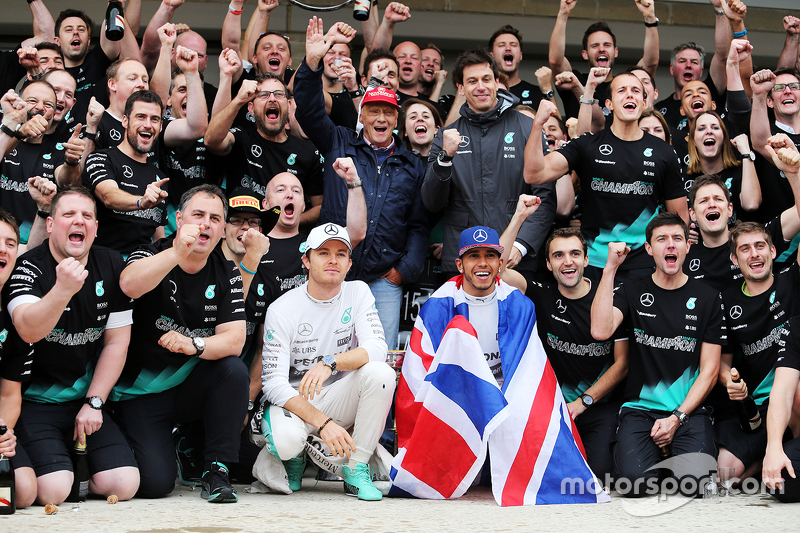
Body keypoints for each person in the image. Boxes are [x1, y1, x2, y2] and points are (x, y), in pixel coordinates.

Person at [392, 225, 609, 505]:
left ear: (500, 262)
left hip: (507, 397)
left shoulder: (519, 305)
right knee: (460, 330)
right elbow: (419, 373)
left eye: (490, 256)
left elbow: (530, 368)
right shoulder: (439, 305)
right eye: (473, 256)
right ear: (459, 264)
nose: (482, 263)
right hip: (458, 400)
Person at [293, 17, 429, 351]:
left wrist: (403, 271)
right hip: (333, 267)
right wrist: (312, 64)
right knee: (324, 353)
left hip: (384, 279)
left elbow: (419, 224)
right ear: (362, 115)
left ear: (397, 119)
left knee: (377, 358)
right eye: (373, 111)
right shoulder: (338, 141)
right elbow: (308, 112)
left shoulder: (414, 165)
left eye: (388, 112)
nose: (380, 119)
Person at [111, 184, 249, 503]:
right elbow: (128, 284)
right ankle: (161, 440)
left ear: (223, 229)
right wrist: (177, 253)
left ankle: (216, 470)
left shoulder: (226, 270)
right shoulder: (151, 251)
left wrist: (195, 345)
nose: (206, 224)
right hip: (141, 394)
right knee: (155, 484)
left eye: (215, 218)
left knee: (232, 370)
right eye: (198, 215)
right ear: (178, 218)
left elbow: (235, 340)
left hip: (189, 388)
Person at [4, 187, 139, 505]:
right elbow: (27, 328)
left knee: (124, 483)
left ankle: (75, 467)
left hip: (83, 400)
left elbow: (117, 342)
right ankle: (61, 468)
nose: (78, 220)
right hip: (34, 402)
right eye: (68, 214)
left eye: (87, 216)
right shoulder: (28, 266)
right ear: (50, 225)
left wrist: (94, 403)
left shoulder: (110, 263)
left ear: (95, 228)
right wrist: (62, 290)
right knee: (53, 490)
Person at [591, 213, 725, 497]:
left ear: (687, 246)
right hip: (640, 410)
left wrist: (677, 418)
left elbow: (710, 371)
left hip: (688, 410)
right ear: (649, 248)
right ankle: (662, 460)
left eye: (677, 238)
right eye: (661, 239)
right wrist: (610, 269)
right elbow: (601, 331)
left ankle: (672, 457)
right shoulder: (632, 289)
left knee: (695, 484)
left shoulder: (708, 297)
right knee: (634, 484)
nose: (671, 246)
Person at [260, 222, 394, 501]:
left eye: (341, 254)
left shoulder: (358, 292)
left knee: (381, 373)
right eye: (323, 252)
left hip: (334, 395)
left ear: (348, 264)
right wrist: (323, 423)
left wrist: (330, 363)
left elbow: (377, 348)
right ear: (306, 260)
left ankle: (356, 470)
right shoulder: (282, 308)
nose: (333, 260)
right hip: (294, 401)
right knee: (286, 443)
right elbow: (273, 384)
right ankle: (294, 458)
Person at [526, 73, 688, 281]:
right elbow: (534, 173)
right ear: (609, 104)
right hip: (593, 263)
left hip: (645, 265)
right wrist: (537, 124)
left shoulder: (664, 152)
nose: (629, 95)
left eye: (636, 91)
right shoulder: (587, 145)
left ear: (644, 102)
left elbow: (679, 218)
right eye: (622, 91)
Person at [502, 217, 628, 482]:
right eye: (558, 255)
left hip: (598, 406)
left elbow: (622, 365)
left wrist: (583, 402)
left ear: (585, 260)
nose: (567, 261)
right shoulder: (541, 293)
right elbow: (498, 269)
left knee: (597, 475)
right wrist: (519, 217)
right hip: (553, 405)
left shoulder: (609, 298)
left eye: (574, 254)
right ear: (548, 264)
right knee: (544, 475)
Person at [423, 48, 555, 277]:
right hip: (462, 259)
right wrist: (445, 159)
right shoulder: (446, 136)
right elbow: (431, 203)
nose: (481, 86)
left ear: (496, 82)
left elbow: (544, 196)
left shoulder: (527, 128)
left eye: (486, 79)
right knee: (460, 316)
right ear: (461, 89)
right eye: (472, 81)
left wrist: (521, 245)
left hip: (514, 259)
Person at [719, 135, 800, 483]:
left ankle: (790, 450)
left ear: (771, 251)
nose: (754, 254)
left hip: (795, 397)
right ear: (735, 259)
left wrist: (795, 172)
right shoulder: (725, 300)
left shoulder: (791, 277)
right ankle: (757, 467)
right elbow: (722, 362)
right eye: (745, 250)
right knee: (723, 472)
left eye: (759, 247)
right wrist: (729, 381)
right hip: (756, 405)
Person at [205, 73, 324, 225]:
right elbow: (210, 141)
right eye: (264, 95)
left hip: (285, 240)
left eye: (278, 94)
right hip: (242, 232)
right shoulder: (241, 138)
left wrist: (290, 220)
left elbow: (320, 206)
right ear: (251, 108)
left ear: (288, 106)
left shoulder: (308, 153)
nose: (272, 99)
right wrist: (238, 100)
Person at [83, 90, 169, 257]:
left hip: (141, 268)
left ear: (160, 126)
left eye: (155, 119)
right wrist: (141, 202)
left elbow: (158, 237)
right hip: (100, 264)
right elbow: (109, 196)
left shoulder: (159, 177)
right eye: (140, 117)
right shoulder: (101, 158)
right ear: (125, 121)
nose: (148, 125)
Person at [0, 81, 85, 247]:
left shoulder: (60, 146)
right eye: (32, 101)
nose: (40, 107)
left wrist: (71, 160)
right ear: (19, 103)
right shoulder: (4, 136)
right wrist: (17, 131)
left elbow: (65, 181)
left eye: (48, 104)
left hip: (35, 242)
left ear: (54, 113)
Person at [685, 174, 799, 293]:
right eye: (704, 201)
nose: (712, 205)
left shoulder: (756, 240)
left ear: (730, 209)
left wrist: (793, 172)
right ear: (692, 214)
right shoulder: (684, 257)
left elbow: (798, 213)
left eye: (718, 199)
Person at [549, 0, 659, 121]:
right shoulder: (576, 80)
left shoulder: (625, 83)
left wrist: (650, 18)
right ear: (585, 54)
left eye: (607, 45)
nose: (601, 49)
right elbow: (556, 61)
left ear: (615, 52)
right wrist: (563, 13)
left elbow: (650, 64)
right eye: (595, 46)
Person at [0, 208, 37, 509]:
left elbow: (9, 393)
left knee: (22, 493)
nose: (3, 249)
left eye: (11, 243)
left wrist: (4, 432)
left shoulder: (16, 315)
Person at [685, 110, 759, 213]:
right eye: (702, 128)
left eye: (715, 127)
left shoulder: (740, 171)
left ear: (724, 138)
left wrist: (746, 153)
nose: (709, 131)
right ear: (693, 140)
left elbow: (751, 204)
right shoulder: (684, 178)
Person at [489, 25, 546, 108]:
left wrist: (547, 89)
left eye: (513, 45)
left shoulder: (535, 92)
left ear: (520, 55)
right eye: (501, 45)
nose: (508, 48)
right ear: (492, 56)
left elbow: (555, 120)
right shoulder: (484, 92)